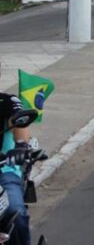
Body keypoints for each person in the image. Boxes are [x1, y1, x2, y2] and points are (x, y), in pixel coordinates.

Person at [0, 93, 34, 245]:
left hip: (4, 171)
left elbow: (20, 120)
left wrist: (20, 146)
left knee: (14, 212)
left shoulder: (6, 101)